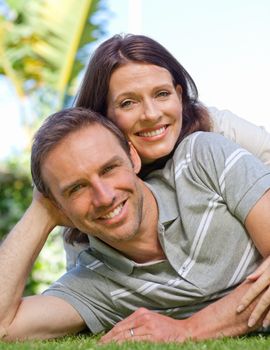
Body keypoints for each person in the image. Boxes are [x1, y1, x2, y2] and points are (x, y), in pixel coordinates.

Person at [1, 107, 270, 343]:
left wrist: (189, 329)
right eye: (77, 188)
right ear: (59, 207)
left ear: (133, 157)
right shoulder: (93, 284)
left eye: (109, 169)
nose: (104, 197)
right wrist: (40, 213)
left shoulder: (201, 160)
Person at [65, 33, 270, 325]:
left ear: (178, 94)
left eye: (161, 94)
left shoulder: (217, 133)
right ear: (102, 117)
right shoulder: (97, 202)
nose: (151, 114)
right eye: (128, 103)